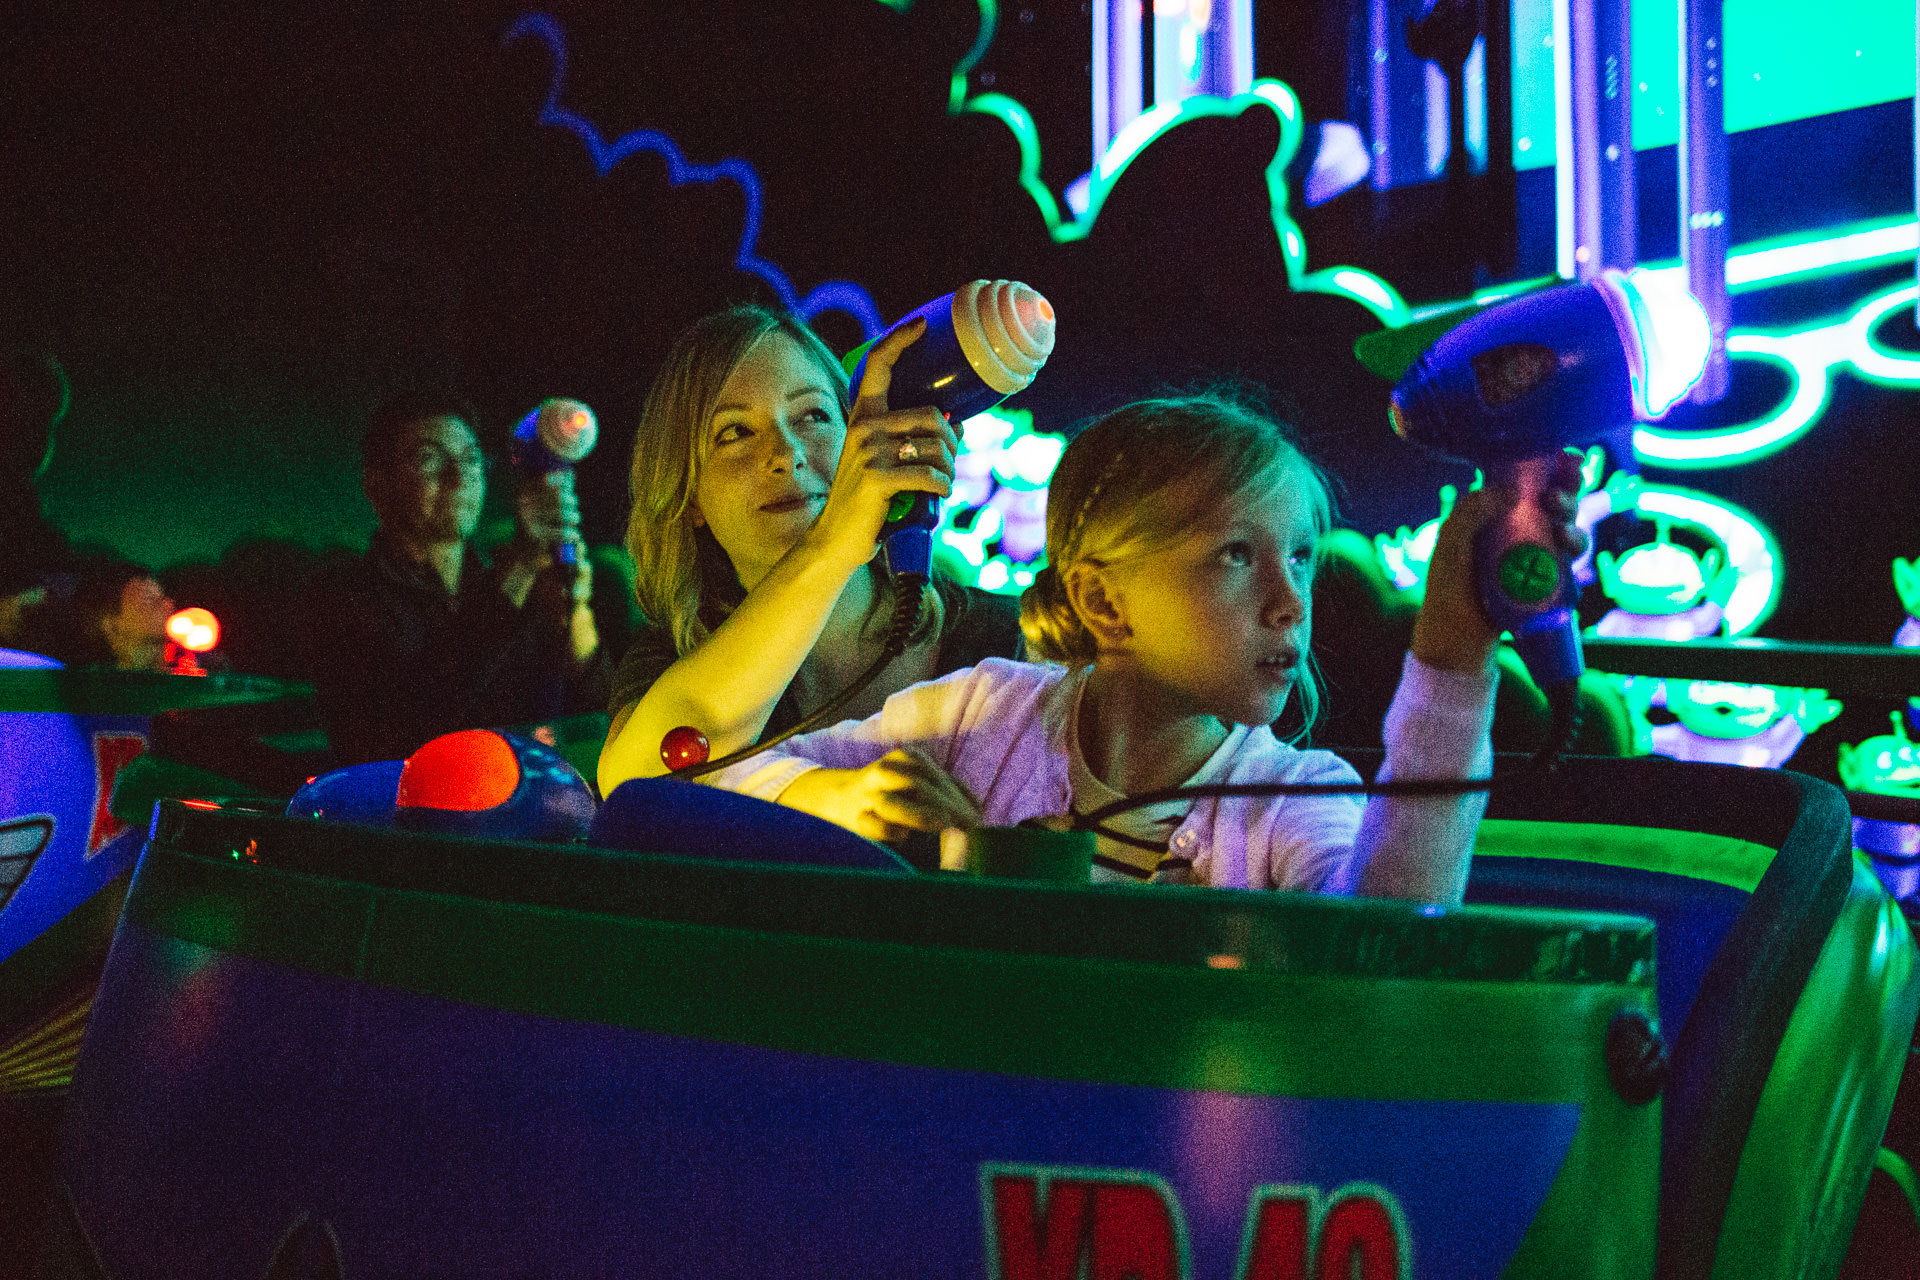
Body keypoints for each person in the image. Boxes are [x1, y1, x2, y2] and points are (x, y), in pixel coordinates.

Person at [706, 395, 1586, 905]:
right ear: (1102, 600)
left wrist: (1450, 661)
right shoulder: (980, 713)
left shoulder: (1294, 799)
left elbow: (1384, 932)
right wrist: (848, 799)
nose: (1290, 603)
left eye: (1302, 558)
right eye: (1236, 556)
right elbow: (715, 782)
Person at [596, 306, 1023, 795]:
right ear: (688, 494)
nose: (785, 454)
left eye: (814, 416)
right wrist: (831, 547)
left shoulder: (1004, 639)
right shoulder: (676, 661)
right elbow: (631, 791)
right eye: (735, 432)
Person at [305, 392, 607, 767]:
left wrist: (576, 615)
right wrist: (521, 566)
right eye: (429, 459)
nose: (459, 476)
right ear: (377, 487)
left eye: (470, 459)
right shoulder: (347, 601)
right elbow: (412, 727)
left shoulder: (517, 587)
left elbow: (594, 715)